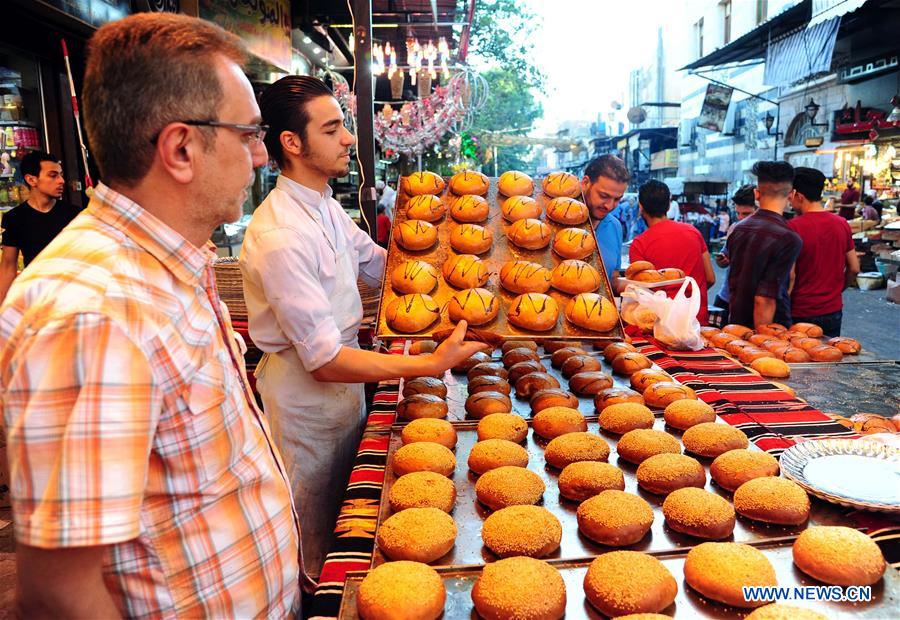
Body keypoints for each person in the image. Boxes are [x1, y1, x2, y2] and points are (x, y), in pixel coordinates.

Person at [0, 13, 305, 618]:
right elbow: (61, 594)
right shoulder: (95, 309)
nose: (261, 156)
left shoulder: (166, 266)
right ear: (182, 148)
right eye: (248, 134)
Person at [239, 75, 488, 578]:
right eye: (332, 130)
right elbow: (325, 360)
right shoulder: (282, 234)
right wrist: (431, 362)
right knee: (316, 535)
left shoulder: (324, 205)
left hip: (347, 387)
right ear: (292, 143)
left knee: (354, 520)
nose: (349, 139)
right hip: (307, 399)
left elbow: (381, 266)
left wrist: (472, 283)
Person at [725, 161, 802, 329]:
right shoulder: (788, 238)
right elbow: (764, 299)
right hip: (769, 330)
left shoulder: (737, 230)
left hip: (737, 325)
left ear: (756, 194)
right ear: (792, 194)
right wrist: (763, 341)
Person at [630, 180, 716, 325]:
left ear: (641, 206)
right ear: (669, 205)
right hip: (696, 324)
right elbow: (710, 278)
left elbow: (641, 294)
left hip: (661, 327)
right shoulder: (693, 232)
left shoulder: (639, 244)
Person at [0, 151, 81, 302]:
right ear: (31, 180)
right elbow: (8, 266)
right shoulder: (14, 218)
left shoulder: (75, 215)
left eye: (61, 174)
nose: (61, 180)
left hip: (72, 296)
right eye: (53, 175)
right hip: (36, 298)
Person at [788, 167, 860, 337]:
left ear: (798, 194)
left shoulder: (792, 227)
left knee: (800, 361)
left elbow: (790, 276)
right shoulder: (842, 223)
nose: (789, 200)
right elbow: (855, 268)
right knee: (828, 358)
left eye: (790, 194)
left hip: (800, 311)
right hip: (832, 310)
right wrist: (838, 289)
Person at [583, 155, 630, 290]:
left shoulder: (615, 227)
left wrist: (641, 288)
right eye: (604, 196)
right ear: (586, 183)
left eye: (617, 199)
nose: (609, 206)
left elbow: (612, 280)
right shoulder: (558, 223)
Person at [713, 184, 757, 313]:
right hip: (726, 297)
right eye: (738, 213)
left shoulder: (768, 234)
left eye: (746, 214)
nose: (741, 218)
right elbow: (723, 258)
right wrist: (721, 260)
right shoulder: (734, 228)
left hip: (750, 303)